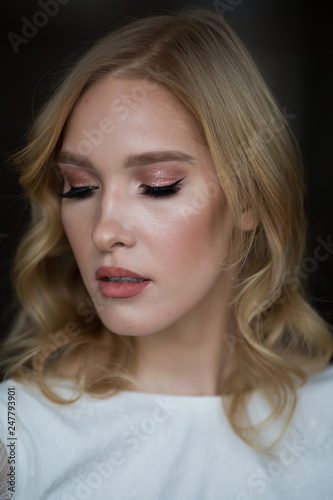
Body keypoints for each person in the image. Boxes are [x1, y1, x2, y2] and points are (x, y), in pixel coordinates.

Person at [0, 9, 332, 500]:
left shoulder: (323, 417)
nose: (104, 231)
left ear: (248, 199)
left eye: (158, 186)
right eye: (80, 186)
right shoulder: (17, 432)